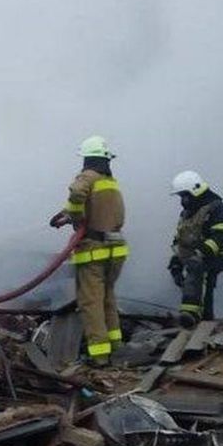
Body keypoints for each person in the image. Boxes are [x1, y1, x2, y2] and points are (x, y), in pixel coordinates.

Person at [51, 135, 128, 365]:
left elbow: (77, 193)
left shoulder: (88, 176)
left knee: (91, 302)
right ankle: (116, 348)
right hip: (116, 248)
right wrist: (68, 215)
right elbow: (99, 209)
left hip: (94, 250)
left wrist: (75, 216)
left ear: (87, 158)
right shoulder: (110, 182)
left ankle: (99, 355)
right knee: (107, 299)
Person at [168, 170, 223, 328]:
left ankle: (192, 315)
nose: (182, 201)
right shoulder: (186, 214)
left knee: (199, 269)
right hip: (194, 255)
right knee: (192, 274)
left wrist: (201, 252)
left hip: (217, 254)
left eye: (185, 196)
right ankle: (198, 315)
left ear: (195, 190)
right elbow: (180, 240)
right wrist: (176, 263)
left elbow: (222, 236)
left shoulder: (218, 209)